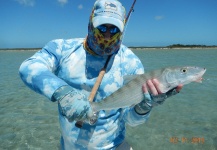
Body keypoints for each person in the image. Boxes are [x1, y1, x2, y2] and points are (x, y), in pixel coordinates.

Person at [19, 0, 182, 149]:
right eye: (102, 27)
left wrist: (145, 107)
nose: (107, 36)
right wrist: (63, 93)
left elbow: (132, 121)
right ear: (90, 23)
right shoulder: (63, 48)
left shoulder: (131, 62)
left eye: (114, 30)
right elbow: (28, 67)